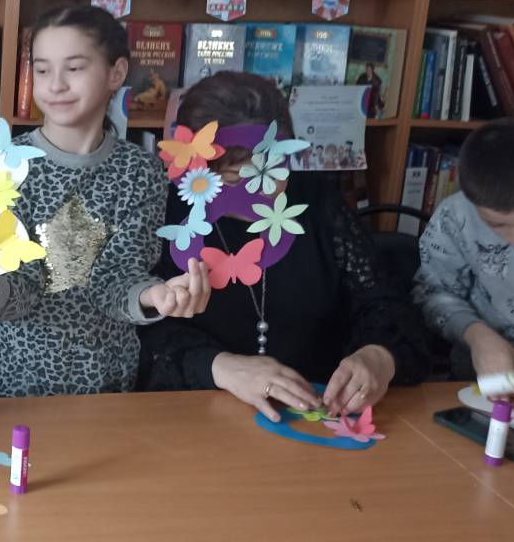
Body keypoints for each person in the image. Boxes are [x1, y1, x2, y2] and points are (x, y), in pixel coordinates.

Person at [0, 5, 211, 397]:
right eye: (43, 70)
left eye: (74, 68)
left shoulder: (141, 172)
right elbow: (17, 284)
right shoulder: (5, 166)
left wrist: (156, 296)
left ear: (116, 73)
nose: (55, 85)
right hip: (19, 381)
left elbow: (119, 278)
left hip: (108, 381)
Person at [139, 72, 428, 420]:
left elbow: (384, 302)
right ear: (197, 174)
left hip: (314, 413)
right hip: (197, 417)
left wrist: (379, 356)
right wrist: (220, 367)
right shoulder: (165, 215)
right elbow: (139, 331)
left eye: (271, 172)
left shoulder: (317, 203)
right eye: (234, 179)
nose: (258, 192)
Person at [413, 119, 514, 402]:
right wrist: (476, 336)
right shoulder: (457, 217)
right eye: (496, 225)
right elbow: (431, 292)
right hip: (483, 383)